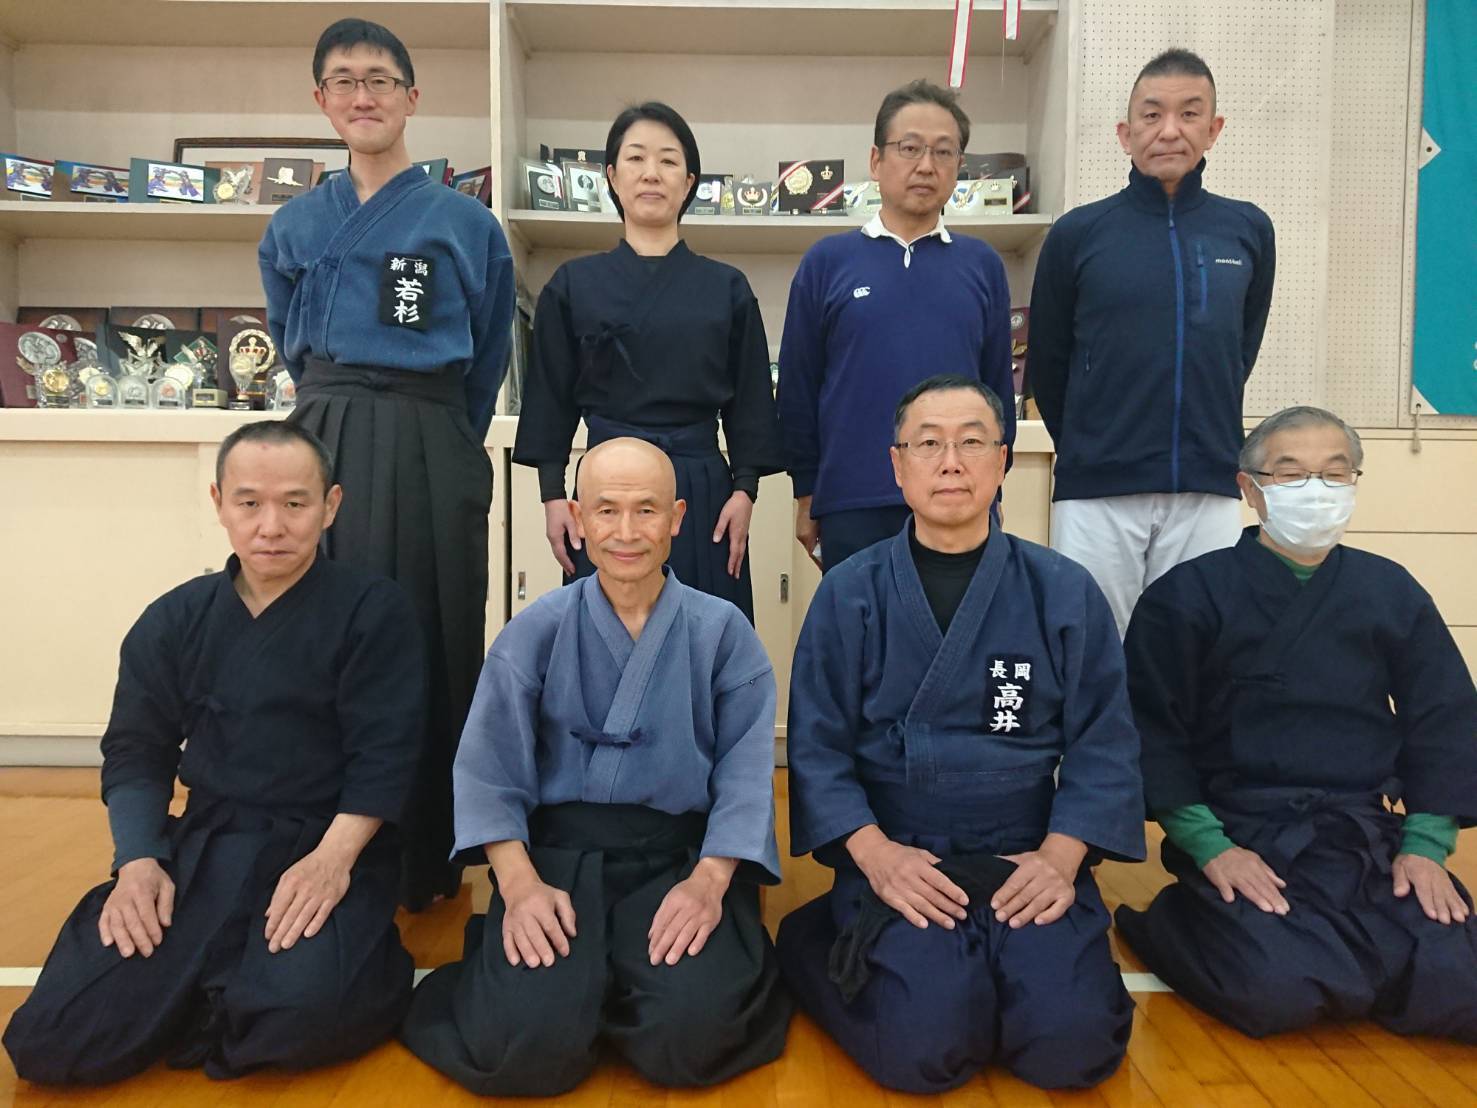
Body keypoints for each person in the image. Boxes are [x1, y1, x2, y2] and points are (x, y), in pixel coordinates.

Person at [3, 422, 425, 1084]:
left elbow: (387, 754)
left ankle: (311, 970)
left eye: (295, 503)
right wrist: (138, 862)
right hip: (208, 843)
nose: (271, 526)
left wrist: (332, 863)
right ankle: (210, 988)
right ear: (219, 503)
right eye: (249, 502)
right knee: (58, 1036)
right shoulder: (175, 619)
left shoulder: (374, 611)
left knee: (293, 1015)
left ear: (331, 505)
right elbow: (137, 751)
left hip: (323, 841)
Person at [776, 375, 1144, 1093]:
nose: (950, 462)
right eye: (928, 444)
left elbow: (1105, 742)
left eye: (972, 442)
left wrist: (1061, 856)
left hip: (1024, 850)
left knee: (1074, 1049)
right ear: (897, 465)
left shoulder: (1062, 590)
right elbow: (817, 747)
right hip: (901, 849)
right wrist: (876, 856)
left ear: (1002, 461)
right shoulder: (849, 591)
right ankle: (815, 937)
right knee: (926, 1050)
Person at [401, 438, 792, 1096]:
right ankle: (576, 993)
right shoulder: (536, 629)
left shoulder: (723, 632)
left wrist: (709, 882)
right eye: (607, 510)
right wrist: (519, 886)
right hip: (556, 860)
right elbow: (487, 773)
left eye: (647, 510)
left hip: (677, 861)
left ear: (677, 518)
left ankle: (614, 992)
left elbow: (748, 779)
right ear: (578, 519)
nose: (627, 531)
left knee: (693, 1034)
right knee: (523, 1042)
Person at [1115, 406, 1477, 1041]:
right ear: (1249, 489)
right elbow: (1151, 727)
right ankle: (1178, 919)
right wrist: (1212, 848)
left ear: (1355, 483)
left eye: (1334, 474)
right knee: (1276, 992)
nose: (1316, 491)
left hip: (1361, 834)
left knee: (1462, 984)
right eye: (1290, 474)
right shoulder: (1186, 595)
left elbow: (1444, 717)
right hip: (1241, 830)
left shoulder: (1391, 591)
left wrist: (1424, 846)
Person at [258, 18, 515, 909]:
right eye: (343, 81)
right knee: (318, 627)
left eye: (379, 79)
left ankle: (424, 850)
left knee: (433, 629)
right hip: (326, 428)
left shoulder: (466, 223)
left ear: (411, 97)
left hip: (432, 433)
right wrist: (331, 413)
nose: (361, 95)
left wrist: (440, 434)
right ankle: (321, 844)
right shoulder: (295, 223)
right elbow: (292, 342)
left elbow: (487, 352)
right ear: (321, 100)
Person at [1027, 49, 1276, 636]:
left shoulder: (1247, 230)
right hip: (1097, 489)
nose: (1170, 130)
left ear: (1214, 129)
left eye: (1189, 114)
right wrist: (1090, 445)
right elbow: (1049, 362)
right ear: (1125, 133)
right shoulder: (1078, 234)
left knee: (1195, 652)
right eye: (1152, 114)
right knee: (1091, 648)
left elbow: (1239, 351)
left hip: (1208, 484)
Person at [514, 102, 783, 622]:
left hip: (700, 491)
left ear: (689, 182)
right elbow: (550, 397)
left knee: (703, 637)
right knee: (600, 636)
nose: (651, 173)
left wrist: (745, 491)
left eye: (668, 160)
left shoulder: (726, 287)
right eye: (636, 159)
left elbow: (751, 399)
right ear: (612, 178)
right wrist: (553, 497)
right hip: (606, 487)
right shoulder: (573, 285)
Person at [777, 80, 1014, 573]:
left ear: (959, 166)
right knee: (860, 622)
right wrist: (806, 492)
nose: (926, 165)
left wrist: (993, 486)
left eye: (943, 152)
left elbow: (996, 390)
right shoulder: (827, 263)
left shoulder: (982, 266)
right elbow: (799, 388)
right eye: (910, 148)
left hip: (958, 494)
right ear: (876, 160)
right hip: (853, 499)